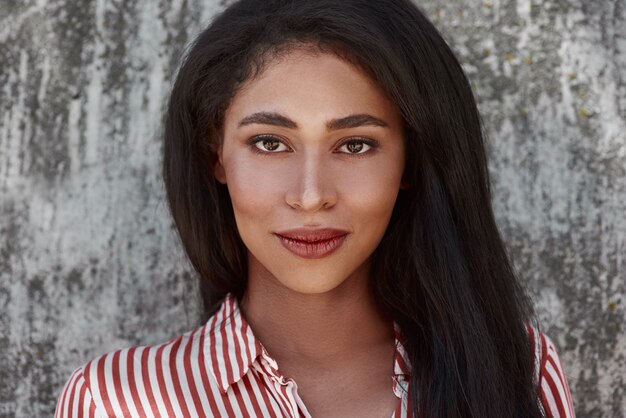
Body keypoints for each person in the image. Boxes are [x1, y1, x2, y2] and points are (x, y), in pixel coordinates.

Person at [55, 0, 576, 417]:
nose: (309, 196)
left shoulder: (518, 370)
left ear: (412, 163)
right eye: (269, 143)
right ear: (216, 155)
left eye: (355, 145)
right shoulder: (118, 401)